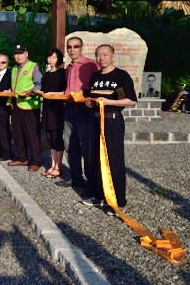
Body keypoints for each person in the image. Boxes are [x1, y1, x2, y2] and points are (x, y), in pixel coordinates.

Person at [82, 44, 137, 214]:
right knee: (93, 159)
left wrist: (109, 102)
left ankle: (116, 200)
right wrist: (89, 102)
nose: (101, 58)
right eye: (98, 55)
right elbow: (91, 96)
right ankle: (98, 196)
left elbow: (131, 100)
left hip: (112, 121)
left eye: (105, 54)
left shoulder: (121, 76)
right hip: (94, 121)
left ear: (113, 56)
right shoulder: (95, 76)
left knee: (113, 160)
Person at [56, 36, 99, 191]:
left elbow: (93, 86)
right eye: (70, 47)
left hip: (84, 109)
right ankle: (76, 179)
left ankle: (92, 182)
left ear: (81, 48)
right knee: (70, 145)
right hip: (69, 109)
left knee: (86, 146)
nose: (72, 49)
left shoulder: (90, 65)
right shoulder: (68, 68)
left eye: (76, 46)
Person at [8, 44, 42, 171]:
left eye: (21, 53)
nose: (19, 56)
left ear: (26, 54)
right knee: (17, 133)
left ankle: (36, 161)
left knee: (31, 134)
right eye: (16, 53)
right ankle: (22, 158)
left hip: (30, 105)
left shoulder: (34, 66)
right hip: (16, 104)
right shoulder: (15, 68)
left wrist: (29, 92)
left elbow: (39, 84)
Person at [37, 48, 67, 179]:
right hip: (48, 109)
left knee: (57, 138)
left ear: (59, 59)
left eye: (54, 57)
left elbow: (66, 91)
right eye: (49, 57)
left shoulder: (63, 73)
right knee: (49, 137)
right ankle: (52, 164)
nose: (51, 60)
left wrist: (53, 94)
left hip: (58, 110)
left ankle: (58, 166)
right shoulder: (46, 74)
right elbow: (44, 90)